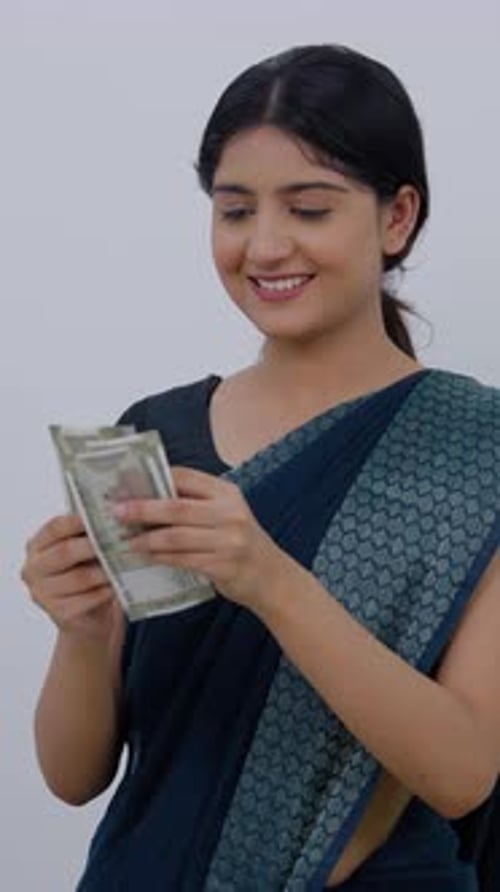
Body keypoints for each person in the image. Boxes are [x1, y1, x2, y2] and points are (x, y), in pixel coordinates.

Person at [21, 44, 500, 892]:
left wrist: (271, 581)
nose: (265, 246)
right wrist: (82, 633)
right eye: (235, 211)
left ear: (397, 218)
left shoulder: (474, 447)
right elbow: (74, 777)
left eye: (310, 209)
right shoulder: (156, 436)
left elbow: (464, 772)